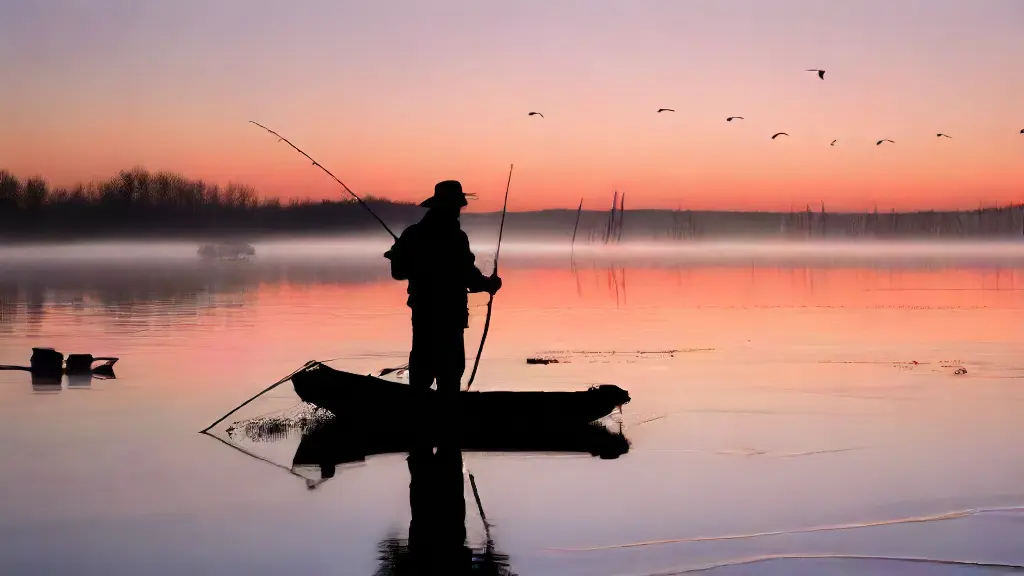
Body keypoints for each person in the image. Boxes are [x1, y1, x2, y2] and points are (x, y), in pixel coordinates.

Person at [385, 180, 502, 396]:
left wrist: (402, 257)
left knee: (421, 372)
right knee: (449, 375)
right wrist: (490, 285)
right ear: (448, 207)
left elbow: (397, 272)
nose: (459, 212)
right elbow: (469, 277)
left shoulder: (412, 234)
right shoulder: (456, 238)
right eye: (457, 206)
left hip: (423, 315)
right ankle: (447, 419)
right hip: (450, 316)